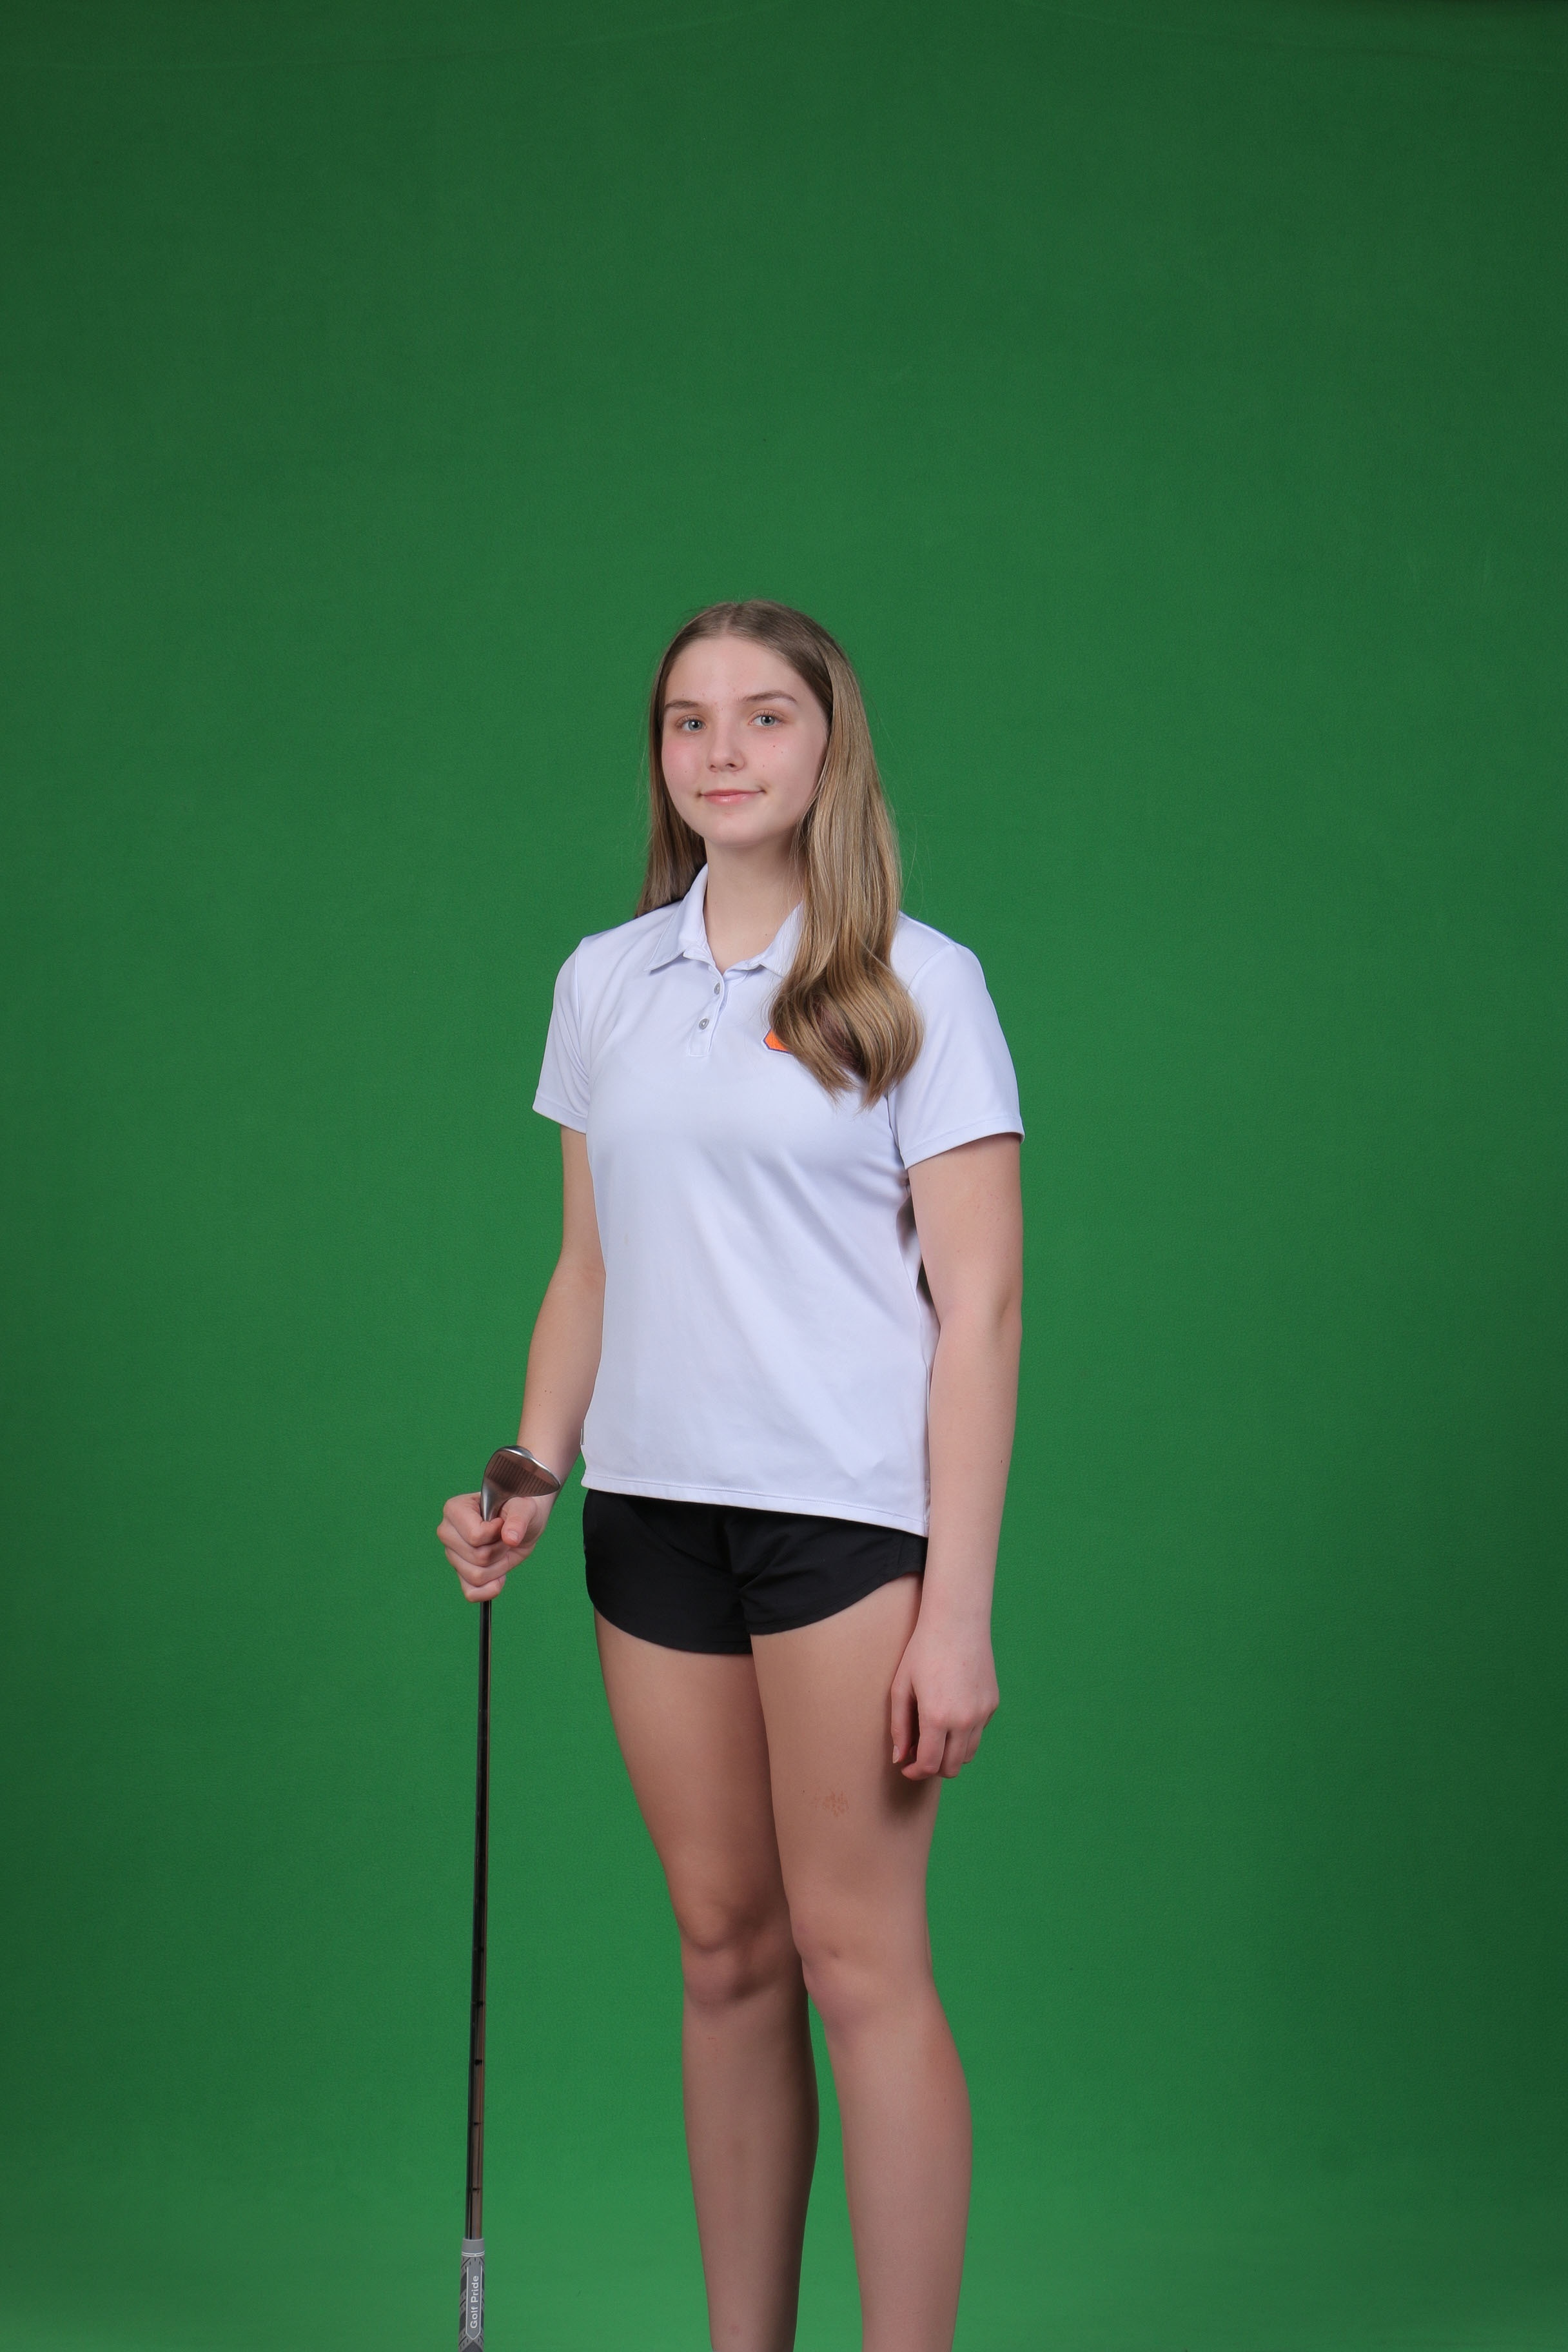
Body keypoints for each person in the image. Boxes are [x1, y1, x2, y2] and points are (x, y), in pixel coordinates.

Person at [438, 600, 1023, 2352]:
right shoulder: (604, 981)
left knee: (860, 1961)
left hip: (847, 1525)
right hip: (652, 1518)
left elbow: (983, 1307)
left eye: (765, 715)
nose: (722, 749)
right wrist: (531, 1465)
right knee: (723, 1950)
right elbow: (590, 1269)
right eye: (689, 720)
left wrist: (958, 1613)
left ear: (830, 747)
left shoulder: (920, 981)